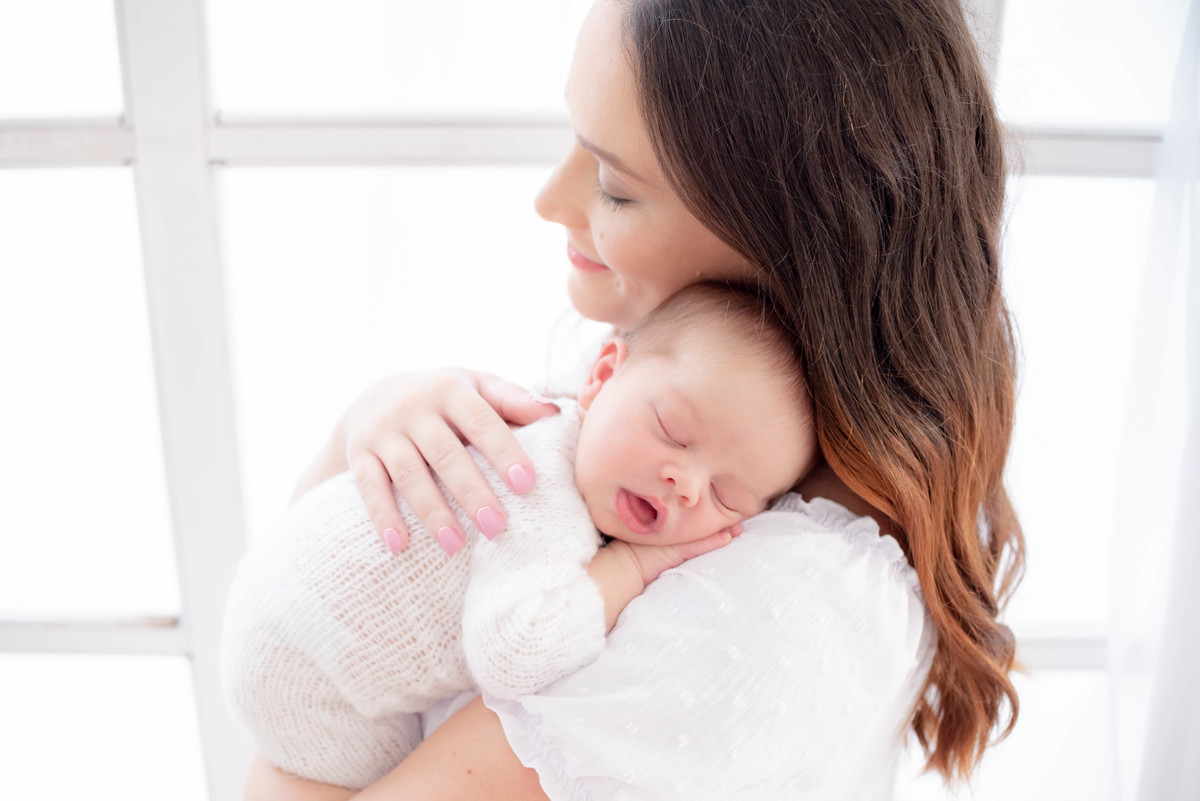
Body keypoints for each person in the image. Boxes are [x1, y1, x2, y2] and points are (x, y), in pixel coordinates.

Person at [245, 0, 1025, 797]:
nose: (550, 199)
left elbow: (292, 703)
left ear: (796, 244)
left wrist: (281, 756)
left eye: (614, 185)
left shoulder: (757, 608)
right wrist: (369, 427)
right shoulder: (680, 424)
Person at [223, 283, 817, 789]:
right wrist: (629, 570)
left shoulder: (561, 436)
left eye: (725, 497)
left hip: (277, 600)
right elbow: (515, 651)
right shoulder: (537, 491)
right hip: (303, 677)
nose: (685, 484)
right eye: (673, 430)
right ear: (602, 375)